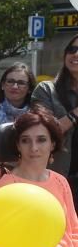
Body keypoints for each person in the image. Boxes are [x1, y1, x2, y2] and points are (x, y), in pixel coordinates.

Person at [0, 108, 78, 247]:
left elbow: (73, 229)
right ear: (17, 145)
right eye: (26, 140)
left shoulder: (59, 180)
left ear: (53, 143)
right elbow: (40, 241)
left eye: (41, 140)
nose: (34, 148)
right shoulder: (8, 186)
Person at [31, 33, 78, 194]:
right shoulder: (46, 90)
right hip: (56, 177)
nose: (75, 54)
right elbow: (45, 132)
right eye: (72, 49)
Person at [0, 63, 36, 128]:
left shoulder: (35, 117)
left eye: (21, 83)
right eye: (10, 81)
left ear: (29, 89)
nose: (15, 87)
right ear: (2, 85)